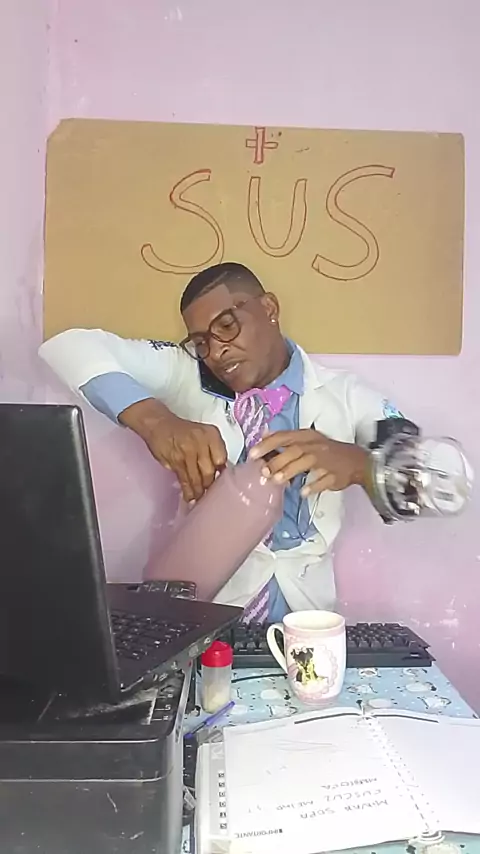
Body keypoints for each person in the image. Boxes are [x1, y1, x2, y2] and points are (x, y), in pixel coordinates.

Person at [39, 262, 407, 622]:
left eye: (227, 326)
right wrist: (156, 422)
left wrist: (363, 465)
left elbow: (424, 472)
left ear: (269, 308)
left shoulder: (343, 395)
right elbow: (68, 347)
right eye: (201, 342)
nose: (215, 353)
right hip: (207, 616)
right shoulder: (186, 373)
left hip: (308, 620)